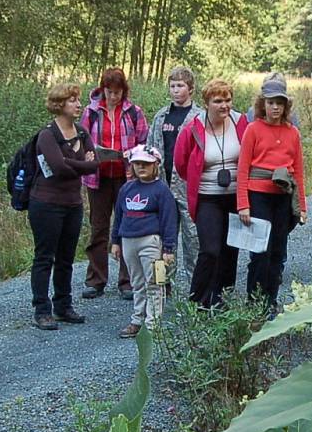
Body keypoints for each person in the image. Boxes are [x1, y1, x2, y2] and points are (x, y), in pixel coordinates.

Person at [29, 84, 98, 330]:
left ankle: (63, 304)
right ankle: (41, 309)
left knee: (66, 257)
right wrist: (81, 163)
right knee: (45, 256)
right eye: (72, 100)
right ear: (59, 104)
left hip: (73, 203)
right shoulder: (47, 135)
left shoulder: (82, 132)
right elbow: (57, 168)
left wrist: (73, 163)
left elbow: (94, 164)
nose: (78, 104)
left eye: (78, 100)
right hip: (46, 203)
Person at [174, 78, 248, 308]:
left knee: (230, 251)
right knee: (210, 250)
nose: (224, 105)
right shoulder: (193, 128)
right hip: (208, 196)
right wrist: (200, 178)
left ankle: (222, 299)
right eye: (218, 101)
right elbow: (181, 163)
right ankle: (198, 301)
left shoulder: (241, 122)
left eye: (227, 100)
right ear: (206, 103)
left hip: (236, 196)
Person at [237, 74, 307, 312]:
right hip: (258, 195)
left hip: (283, 196)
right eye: (270, 102)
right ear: (262, 104)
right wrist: (243, 204)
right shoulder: (253, 129)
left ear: (286, 106)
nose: (275, 107)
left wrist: (302, 207)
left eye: (279, 103)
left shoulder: (292, 133)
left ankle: (271, 300)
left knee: (278, 249)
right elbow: (243, 168)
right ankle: (254, 301)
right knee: (259, 251)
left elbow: (298, 172)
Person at [79, 68, 148, 301]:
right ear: (102, 89)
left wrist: (133, 158)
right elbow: (81, 141)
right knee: (98, 227)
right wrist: (91, 155)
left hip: (126, 177)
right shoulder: (90, 112)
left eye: (118, 92)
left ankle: (127, 281)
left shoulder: (133, 113)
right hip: (97, 177)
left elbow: (144, 143)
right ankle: (95, 279)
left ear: (124, 91)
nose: (113, 97)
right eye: (110, 92)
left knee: (127, 225)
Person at [111, 145, 177, 338]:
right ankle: (137, 319)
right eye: (137, 164)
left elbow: (169, 221)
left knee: (155, 282)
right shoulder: (126, 189)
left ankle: (152, 324)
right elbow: (119, 217)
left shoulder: (162, 191)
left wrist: (169, 248)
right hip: (129, 240)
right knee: (137, 282)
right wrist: (115, 241)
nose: (141, 167)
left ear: (155, 165)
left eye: (146, 164)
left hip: (152, 241)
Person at [146, 66, 203, 281]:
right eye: (172, 86)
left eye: (180, 86)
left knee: (194, 239)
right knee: (161, 240)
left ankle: (196, 287)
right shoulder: (162, 116)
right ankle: (161, 286)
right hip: (162, 186)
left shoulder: (199, 117)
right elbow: (150, 148)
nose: (176, 90)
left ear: (190, 89)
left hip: (188, 187)